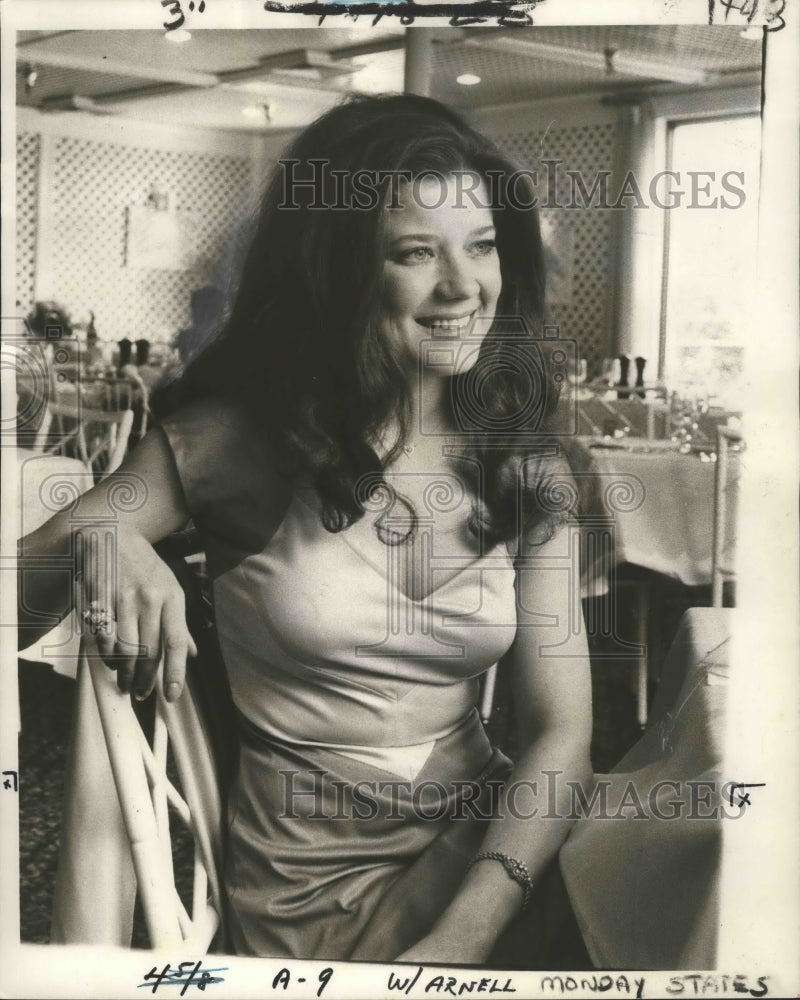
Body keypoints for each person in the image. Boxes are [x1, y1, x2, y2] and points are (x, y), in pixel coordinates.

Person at [17, 94, 593, 966]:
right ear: (339, 270)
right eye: (415, 253)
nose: (463, 286)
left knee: (681, 864)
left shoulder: (524, 463)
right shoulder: (236, 440)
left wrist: (468, 931)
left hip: (490, 851)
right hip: (319, 893)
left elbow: (562, 733)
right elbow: (11, 602)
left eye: (481, 246)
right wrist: (102, 539)